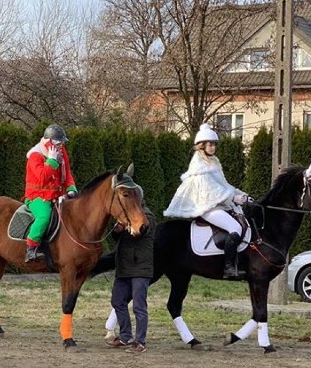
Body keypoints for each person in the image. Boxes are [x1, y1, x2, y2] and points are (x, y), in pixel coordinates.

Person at [163, 123, 249, 279]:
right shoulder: (199, 164)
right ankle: (228, 267)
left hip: (218, 205)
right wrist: (233, 198)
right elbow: (210, 189)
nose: (213, 147)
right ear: (201, 146)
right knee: (235, 228)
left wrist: (242, 194)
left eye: (214, 144)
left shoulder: (213, 162)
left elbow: (223, 185)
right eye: (210, 144)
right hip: (207, 207)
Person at [105, 202, 157, 353]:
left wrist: (128, 224)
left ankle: (140, 342)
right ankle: (125, 336)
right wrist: (117, 229)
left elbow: (143, 229)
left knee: (139, 306)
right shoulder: (124, 216)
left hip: (140, 269)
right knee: (117, 301)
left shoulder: (148, 216)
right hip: (124, 268)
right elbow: (116, 238)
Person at [23, 124, 79, 262]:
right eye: (58, 142)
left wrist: (71, 189)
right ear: (49, 141)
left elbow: (67, 174)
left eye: (62, 142)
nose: (61, 145)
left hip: (57, 196)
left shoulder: (60, 151)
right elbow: (42, 178)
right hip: (37, 197)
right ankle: (31, 248)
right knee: (44, 217)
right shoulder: (35, 156)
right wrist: (52, 161)